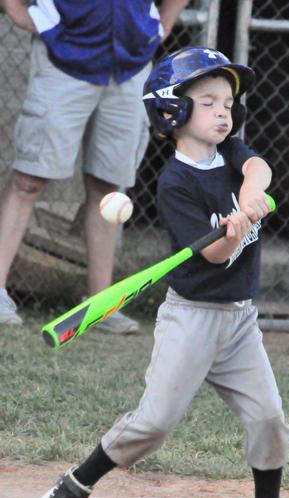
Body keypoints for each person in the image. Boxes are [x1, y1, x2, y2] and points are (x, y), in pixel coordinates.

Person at [39, 47, 289, 498]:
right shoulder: (176, 183)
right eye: (209, 103)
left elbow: (259, 166)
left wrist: (251, 194)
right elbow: (214, 255)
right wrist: (235, 231)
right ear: (173, 110)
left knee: (269, 419)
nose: (222, 113)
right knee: (152, 426)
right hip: (191, 320)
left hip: (239, 321)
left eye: (228, 105)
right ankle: (76, 484)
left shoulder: (231, 153)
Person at [0, 0, 190, 333]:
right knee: (28, 181)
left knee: (108, 188)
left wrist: (165, 22)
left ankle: (100, 306)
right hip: (63, 55)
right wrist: (15, 8)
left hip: (130, 63)